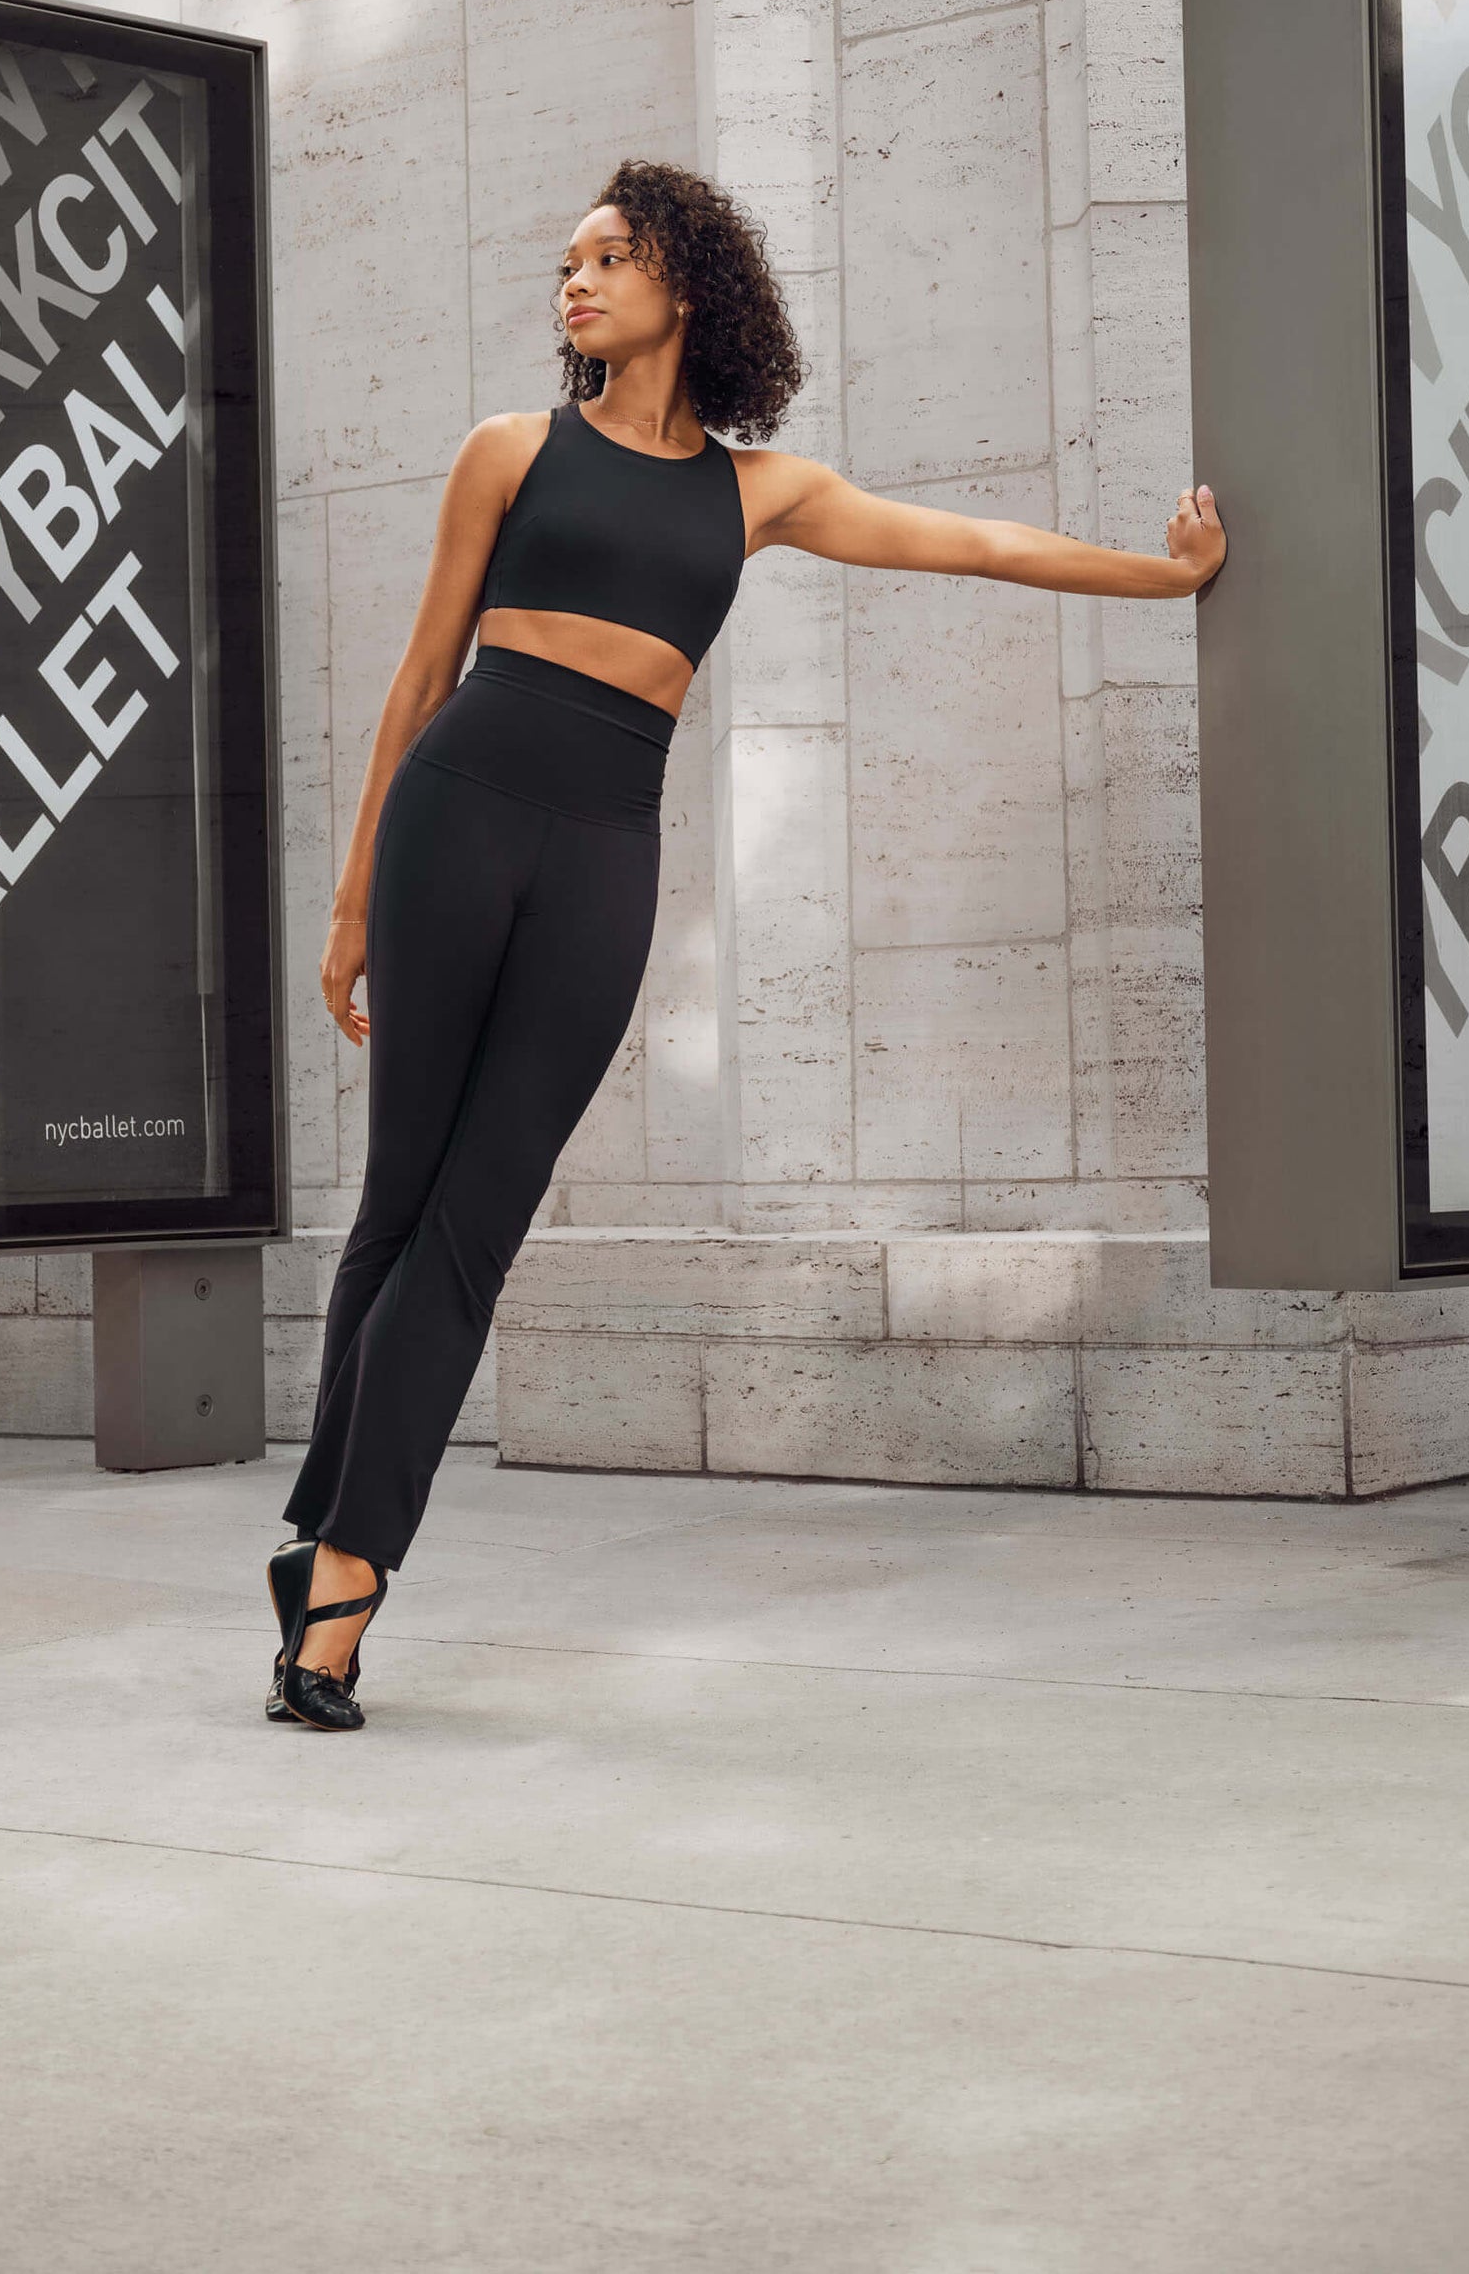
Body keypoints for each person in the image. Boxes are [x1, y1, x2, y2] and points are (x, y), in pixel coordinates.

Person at [265, 160, 1225, 1729]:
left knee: (476, 1219)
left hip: (601, 852)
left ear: (683, 285)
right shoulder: (507, 451)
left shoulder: (755, 491)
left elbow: (967, 543)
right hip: (457, 811)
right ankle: (342, 1579)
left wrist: (1161, 576)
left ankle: (328, 1549)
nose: (573, 284)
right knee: (397, 1200)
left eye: (607, 258)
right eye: (564, 263)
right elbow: (418, 673)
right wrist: (353, 898)